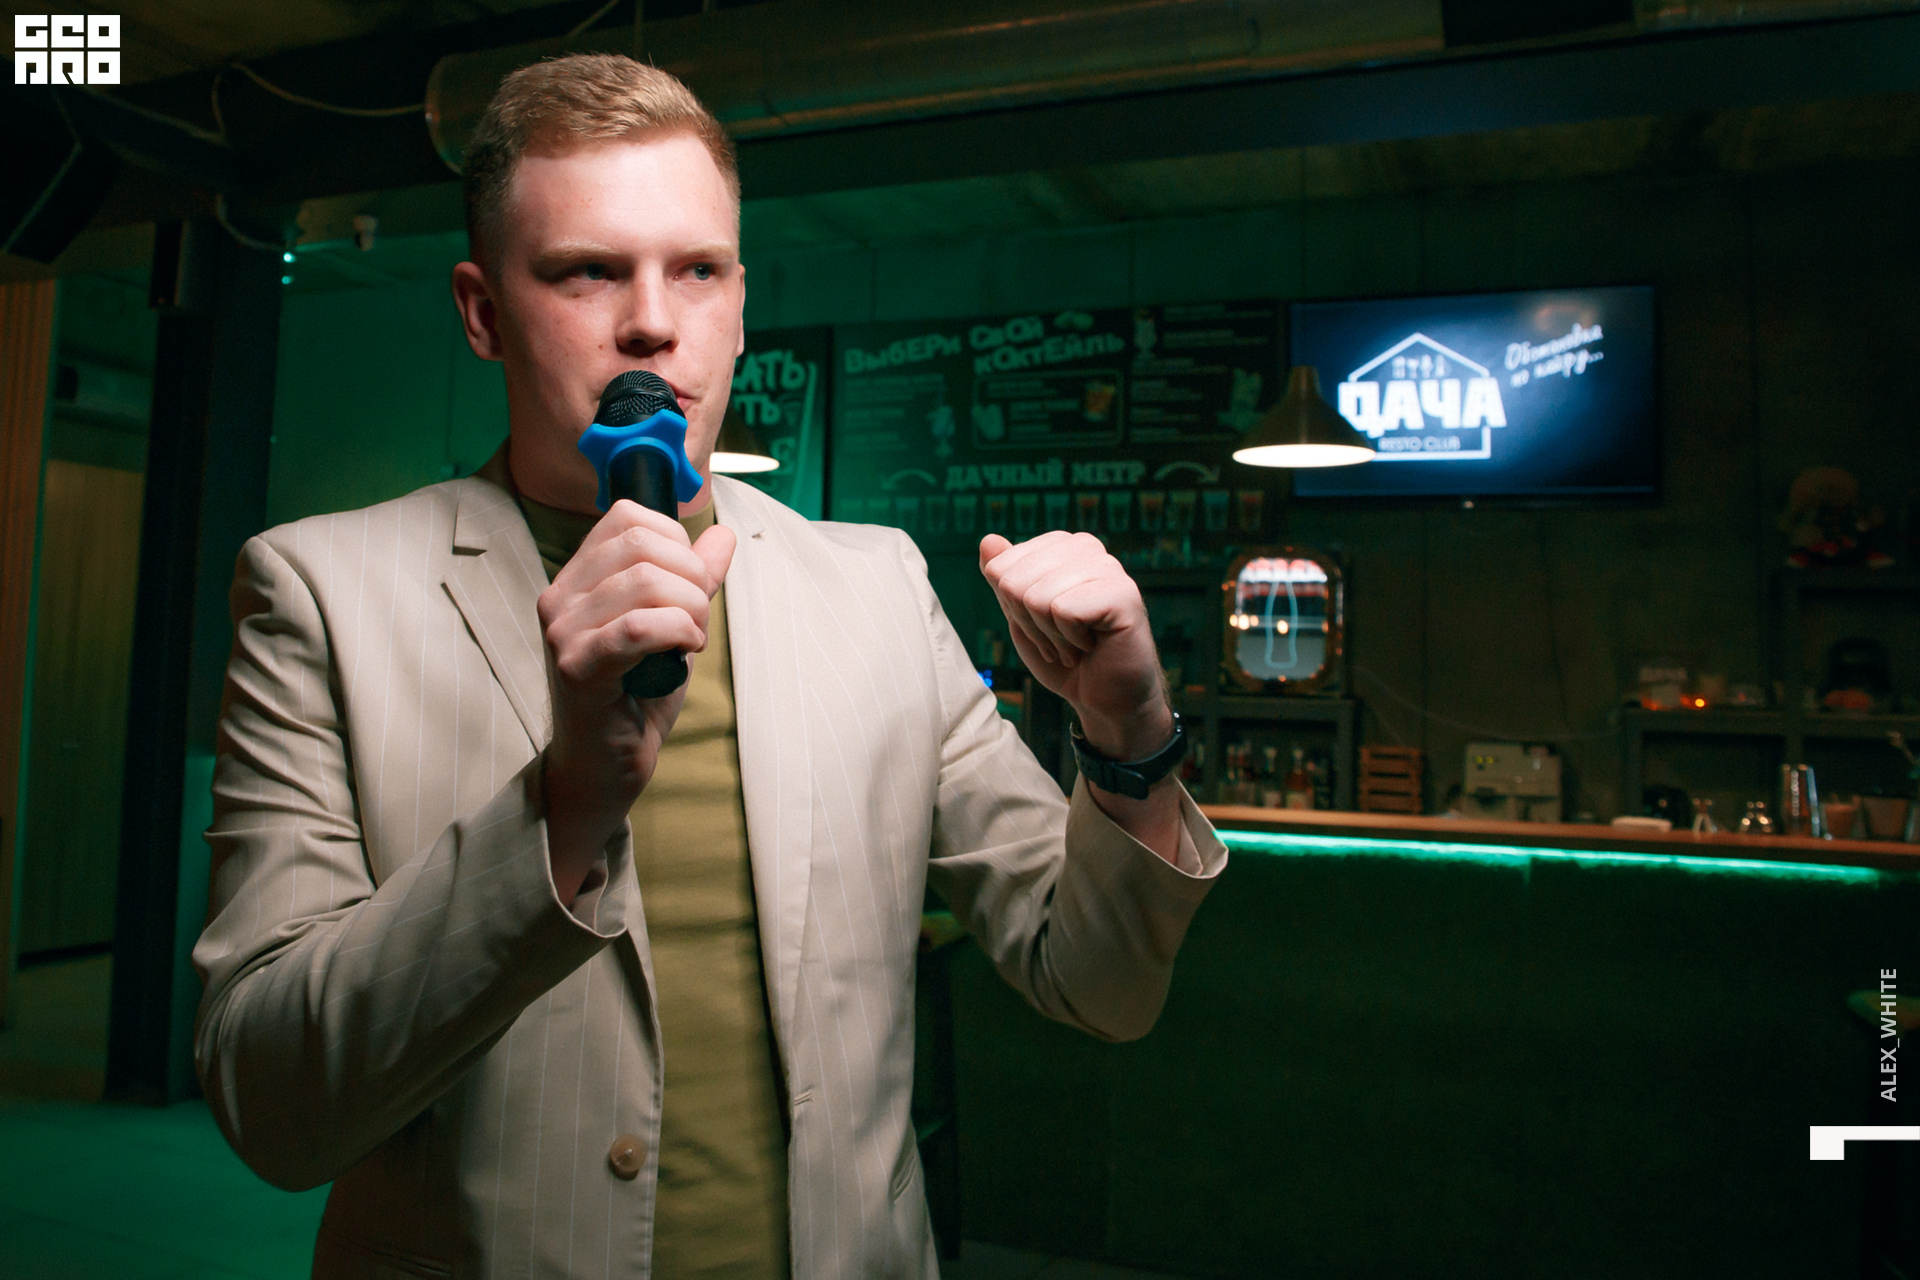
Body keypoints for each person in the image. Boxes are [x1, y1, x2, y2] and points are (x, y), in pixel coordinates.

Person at [193, 53, 1224, 1280]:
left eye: (697, 269)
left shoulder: (879, 587)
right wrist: (566, 803)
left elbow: (1099, 981)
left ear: (739, 305)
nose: (652, 320)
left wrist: (1128, 733)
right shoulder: (317, 592)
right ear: (482, 312)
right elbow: (272, 1102)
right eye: (586, 270)